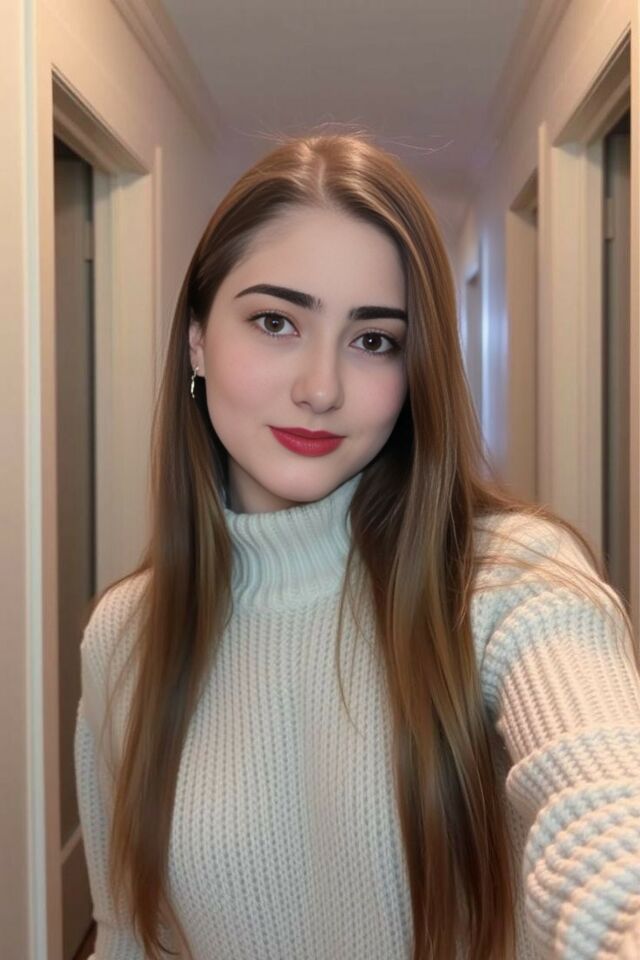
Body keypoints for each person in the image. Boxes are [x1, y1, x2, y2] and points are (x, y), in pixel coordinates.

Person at [74, 132, 640, 960]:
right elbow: (129, 931)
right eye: (276, 322)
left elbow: (603, 798)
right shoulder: (123, 634)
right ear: (197, 339)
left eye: (373, 340)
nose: (321, 387)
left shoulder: (509, 577)